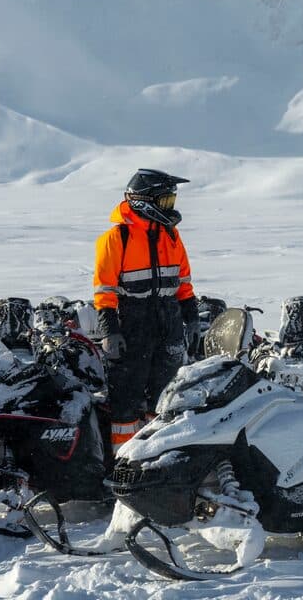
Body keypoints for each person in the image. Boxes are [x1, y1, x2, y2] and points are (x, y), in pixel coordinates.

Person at [93, 169, 198, 451]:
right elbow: (104, 291)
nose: (170, 207)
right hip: (132, 322)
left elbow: (183, 283)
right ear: (145, 201)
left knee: (166, 397)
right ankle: (123, 461)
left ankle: (157, 456)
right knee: (126, 399)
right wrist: (110, 331)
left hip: (169, 320)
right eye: (165, 201)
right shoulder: (117, 237)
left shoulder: (171, 235)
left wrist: (191, 318)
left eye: (171, 201)